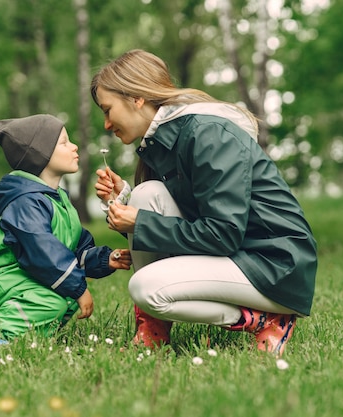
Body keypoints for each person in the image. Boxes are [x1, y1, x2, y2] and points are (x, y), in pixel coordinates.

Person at [91, 49, 317, 357]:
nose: (106, 124)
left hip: (274, 264)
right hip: (238, 254)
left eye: (107, 110)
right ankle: (154, 327)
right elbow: (165, 232)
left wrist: (138, 221)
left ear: (136, 98)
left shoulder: (208, 134)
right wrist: (124, 203)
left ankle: (266, 318)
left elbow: (223, 234)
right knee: (145, 194)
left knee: (145, 288)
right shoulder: (162, 142)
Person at [0, 114, 132, 345]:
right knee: (55, 299)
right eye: (64, 142)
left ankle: (31, 338)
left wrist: (105, 259)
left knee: (65, 295)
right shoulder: (25, 201)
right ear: (40, 154)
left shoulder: (58, 200)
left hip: (25, 274)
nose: (74, 146)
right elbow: (42, 251)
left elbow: (70, 251)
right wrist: (79, 289)